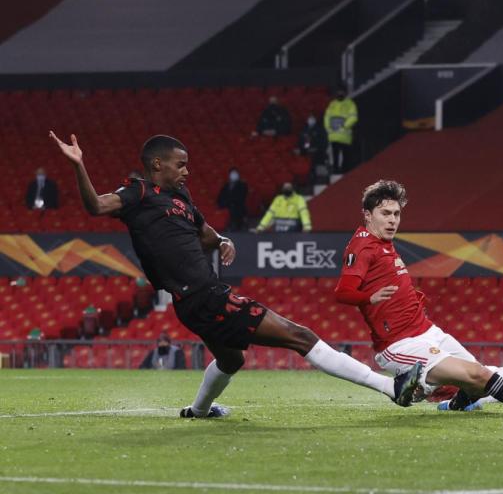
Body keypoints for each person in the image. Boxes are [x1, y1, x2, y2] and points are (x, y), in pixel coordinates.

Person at [50, 131, 421, 418]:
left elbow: (203, 231)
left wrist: (222, 239)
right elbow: (96, 205)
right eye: (180, 164)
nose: (186, 170)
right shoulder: (138, 193)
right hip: (203, 295)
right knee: (300, 336)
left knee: (232, 360)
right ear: (157, 164)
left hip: (192, 302)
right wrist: (78, 165)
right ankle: (391, 388)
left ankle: (198, 411)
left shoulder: (182, 200)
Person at [334, 180, 503, 413]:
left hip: (427, 331)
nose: (392, 220)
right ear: (368, 215)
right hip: (400, 342)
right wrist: (370, 297)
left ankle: (432, 392)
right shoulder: (362, 247)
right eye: (385, 213)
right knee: (478, 376)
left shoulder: (383, 242)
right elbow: (343, 292)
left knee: (480, 381)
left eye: (396, 214)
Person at [324, 87, 357, 174]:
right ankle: (336, 171)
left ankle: (345, 171)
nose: (340, 94)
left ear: (345, 93)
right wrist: (328, 128)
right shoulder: (332, 104)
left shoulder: (350, 104)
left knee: (346, 156)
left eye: (341, 92)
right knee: (335, 156)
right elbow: (327, 117)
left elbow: (353, 117)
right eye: (338, 92)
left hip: (345, 136)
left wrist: (344, 126)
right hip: (334, 136)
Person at [295, 114, 329, 184]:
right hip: (306, 153)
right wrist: (303, 149)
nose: (310, 120)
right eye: (309, 119)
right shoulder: (304, 130)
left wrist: (317, 149)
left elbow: (324, 142)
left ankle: (321, 180)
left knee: (319, 167)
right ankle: (309, 179)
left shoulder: (320, 130)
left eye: (312, 119)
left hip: (319, 153)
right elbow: (301, 142)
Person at [216, 167, 248, 231]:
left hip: (238, 205)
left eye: (235, 173)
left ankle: (238, 225)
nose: (233, 175)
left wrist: (232, 201)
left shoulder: (242, 185)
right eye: (232, 173)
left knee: (237, 209)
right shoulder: (226, 185)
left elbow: (242, 196)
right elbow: (221, 196)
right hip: (227, 205)